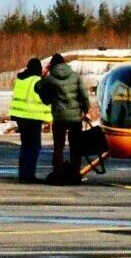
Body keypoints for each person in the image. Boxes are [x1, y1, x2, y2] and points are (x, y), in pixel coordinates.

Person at [35, 53, 90, 184]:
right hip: (75, 118)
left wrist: (43, 75)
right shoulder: (76, 76)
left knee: (58, 148)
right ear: (65, 63)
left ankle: (58, 175)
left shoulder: (50, 79)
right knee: (75, 147)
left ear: (51, 65)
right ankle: (75, 175)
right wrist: (85, 110)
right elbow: (84, 96)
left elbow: (42, 95)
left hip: (59, 118)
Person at [8, 57, 49, 183]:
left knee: (25, 146)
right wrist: (49, 118)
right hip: (32, 117)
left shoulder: (20, 80)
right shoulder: (37, 81)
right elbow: (45, 99)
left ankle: (23, 174)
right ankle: (29, 175)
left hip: (20, 117)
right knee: (34, 147)